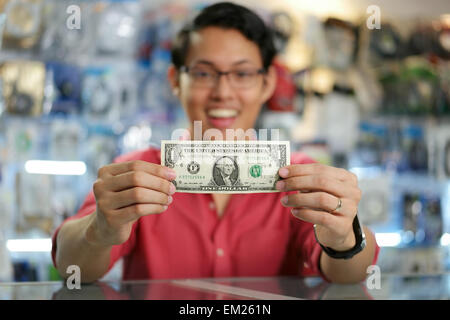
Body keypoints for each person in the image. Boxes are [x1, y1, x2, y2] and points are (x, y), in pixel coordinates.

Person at [52, 2, 379, 284]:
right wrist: (101, 230)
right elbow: (71, 269)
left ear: (268, 84)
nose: (223, 92)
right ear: (175, 81)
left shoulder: (303, 175)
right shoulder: (137, 173)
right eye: (204, 73)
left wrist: (342, 236)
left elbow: (350, 275)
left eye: (242, 74)